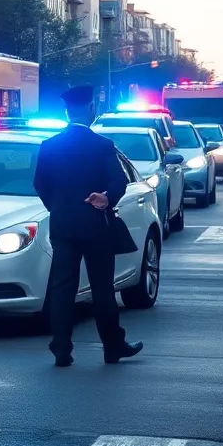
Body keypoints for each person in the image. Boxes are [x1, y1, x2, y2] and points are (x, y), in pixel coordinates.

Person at [33, 85, 143, 367]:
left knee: (62, 287)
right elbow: (119, 181)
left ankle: (61, 349)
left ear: (66, 112)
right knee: (102, 287)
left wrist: (58, 207)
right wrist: (106, 198)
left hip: (62, 226)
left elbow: (40, 184)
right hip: (95, 225)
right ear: (92, 109)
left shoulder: (49, 145)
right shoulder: (102, 145)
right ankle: (112, 347)